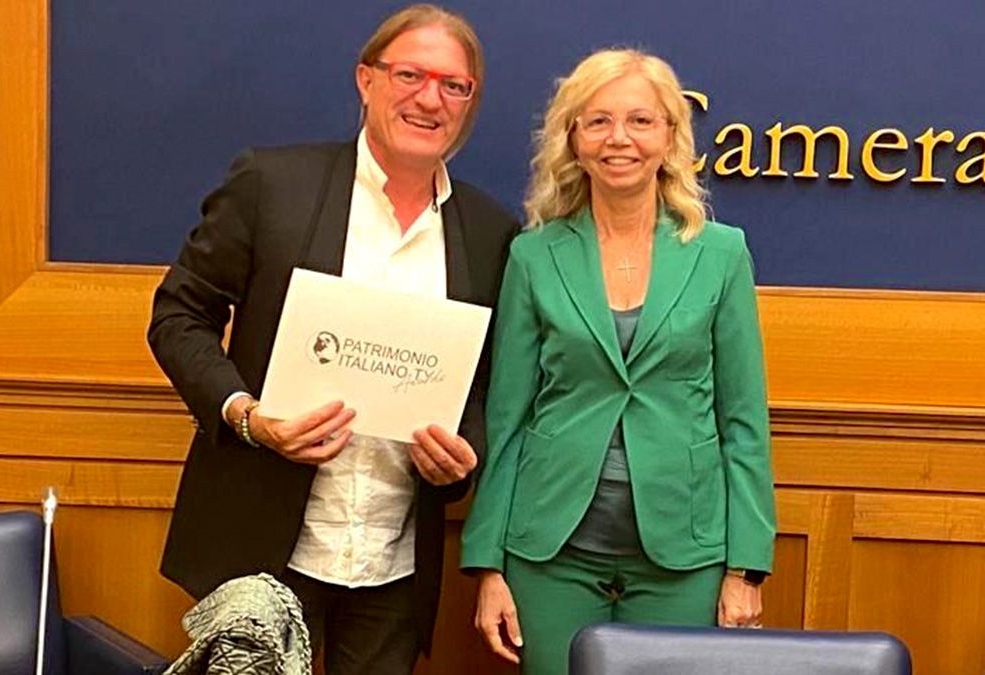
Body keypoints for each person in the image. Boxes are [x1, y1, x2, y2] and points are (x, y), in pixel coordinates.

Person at [147, 5, 518, 673]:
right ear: (365, 79)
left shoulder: (492, 232)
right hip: (263, 546)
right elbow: (178, 315)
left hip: (395, 562)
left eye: (454, 85)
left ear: (469, 102)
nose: (430, 98)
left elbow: (490, 380)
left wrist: (464, 455)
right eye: (410, 73)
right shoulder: (271, 185)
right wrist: (248, 416)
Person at [461, 48, 777, 674]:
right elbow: (510, 418)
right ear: (573, 139)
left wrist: (746, 566)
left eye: (640, 120)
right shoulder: (533, 256)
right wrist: (488, 563)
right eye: (598, 121)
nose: (619, 139)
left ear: (670, 137)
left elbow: (744, 423)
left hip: (682, 557)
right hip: (550, 554)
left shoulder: (719, 254)